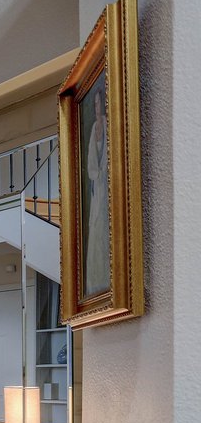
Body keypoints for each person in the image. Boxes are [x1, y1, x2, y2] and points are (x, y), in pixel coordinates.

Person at [83, 80, 111, 298]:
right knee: (95, 232)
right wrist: (97, 174)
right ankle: (95, 284)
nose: (97, 107)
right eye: (94, 104)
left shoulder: (110, 124)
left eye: (99, 103)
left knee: (104, 231)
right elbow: (92, 160)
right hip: (97, 187)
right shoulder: (95, 127)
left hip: (106, 188)